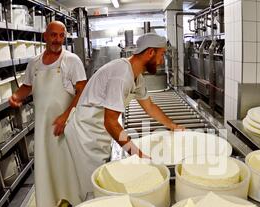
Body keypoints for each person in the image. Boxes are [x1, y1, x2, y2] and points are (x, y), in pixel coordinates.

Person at [64, 33, 185, 198]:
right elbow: (111, 122)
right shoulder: (121, 75)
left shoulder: (137, 76)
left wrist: (172, 125)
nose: (162, 60)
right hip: (85, 134)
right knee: (92, 189)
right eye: (161, 54)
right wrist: (136, 153)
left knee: (101, 183)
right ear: (150, 52)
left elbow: (149, 106)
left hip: (97, 132)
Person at [8, 21, 87, 207]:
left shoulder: (71, 60)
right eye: (53, 35)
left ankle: (77, 197)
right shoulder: (34, 63)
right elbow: (28, 86)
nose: (57, 40)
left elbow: (82, 89)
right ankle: (61, 198)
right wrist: (17, 96)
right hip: (44, 124)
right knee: (51, 162)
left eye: (61, 36)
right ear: (45, 36)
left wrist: (65, 117)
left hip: (66, 122)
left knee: (69, 161)